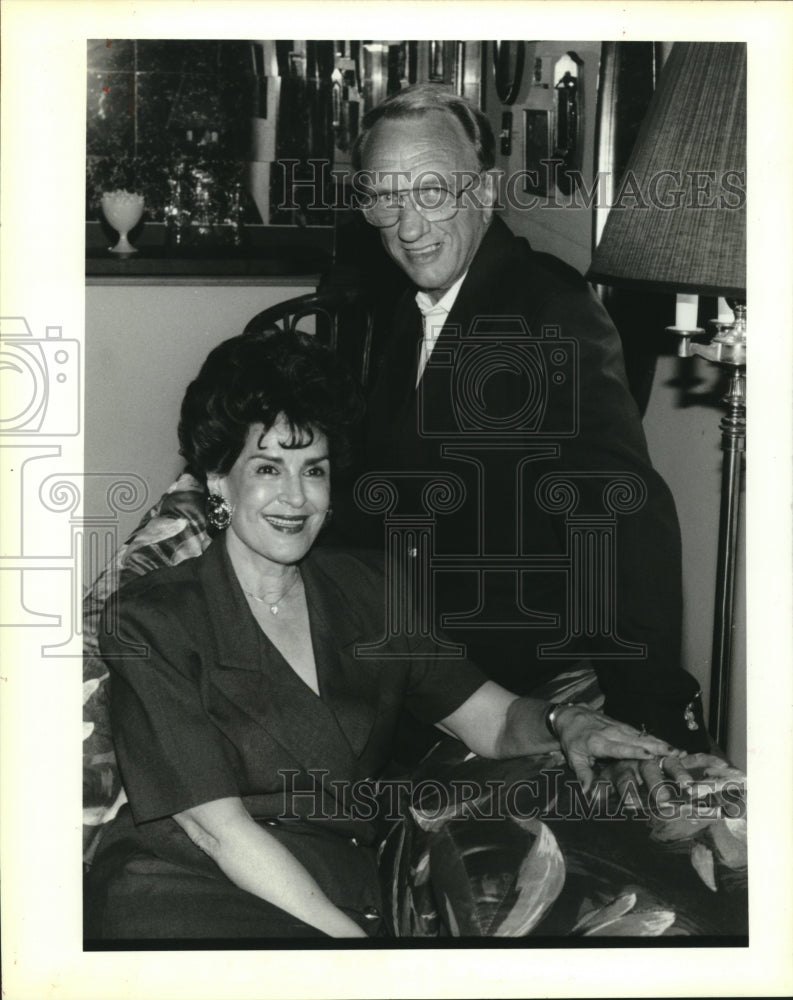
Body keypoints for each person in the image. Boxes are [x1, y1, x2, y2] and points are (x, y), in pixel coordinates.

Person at [83, 329, 684, 941]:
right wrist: (359, 954)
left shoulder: (373, 589)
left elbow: (492, 721)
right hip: (187, 890)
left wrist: (563, 721)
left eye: (312, 469)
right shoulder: (150, 616)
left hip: (337, 886)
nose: (295, 497)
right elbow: (215, 829)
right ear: (218, 481)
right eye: (267, 468)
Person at [346, 84, 712, 781]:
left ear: (484, 190)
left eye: (430, 192)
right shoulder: (410, 308)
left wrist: (644, 716)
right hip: (428, 672)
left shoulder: (546, 311)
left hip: (522, 683)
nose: (406, 225)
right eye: (383, 197)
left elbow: (623, 518)